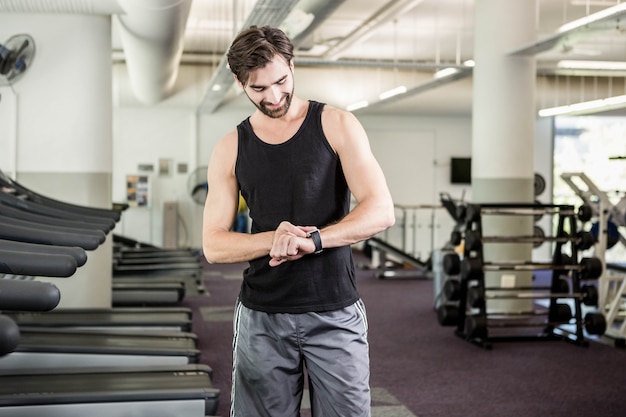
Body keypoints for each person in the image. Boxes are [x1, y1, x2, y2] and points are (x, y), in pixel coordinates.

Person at [202, 25, 395, 417]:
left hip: (335, 310)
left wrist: (315, 240)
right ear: (240, 83)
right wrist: (274, 238)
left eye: (281, 81)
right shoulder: (231, 148)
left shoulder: (337, 124)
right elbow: (214, 244)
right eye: (258, 89)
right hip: (262, 317)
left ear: (292, 64)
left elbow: (381, 210)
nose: (273, 97)